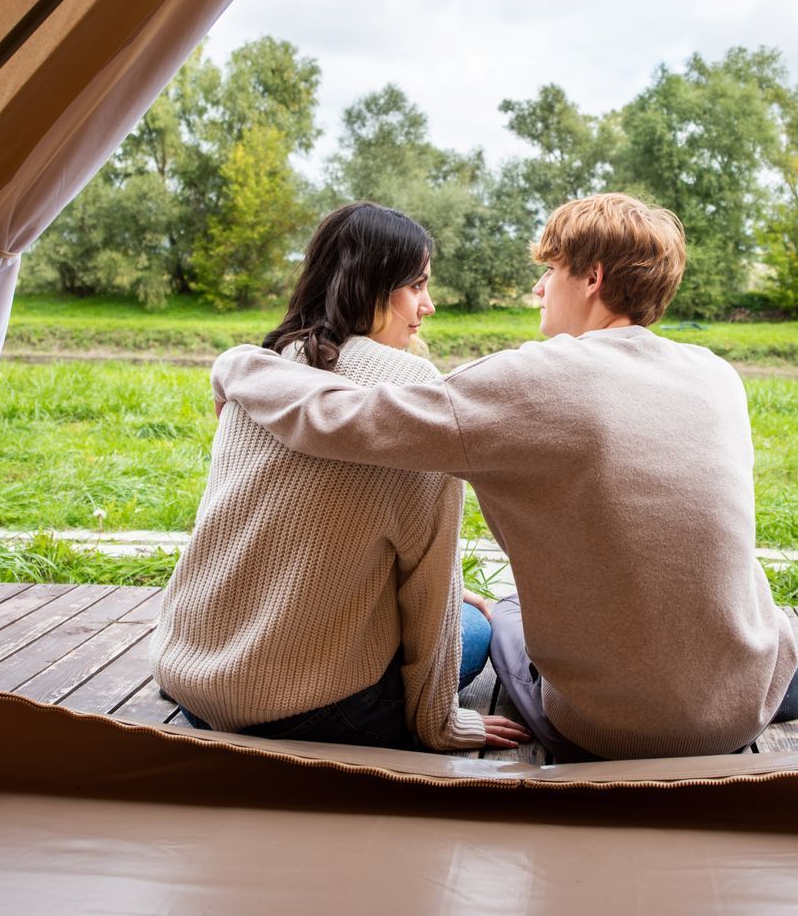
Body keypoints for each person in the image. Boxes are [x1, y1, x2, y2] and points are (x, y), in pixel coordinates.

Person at [212, 192, 798, 762]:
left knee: (502, 618)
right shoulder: (716, 375)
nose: (539, 286)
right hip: (742, 701)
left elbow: (340, 415)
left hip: (606, 730)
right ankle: (763, 680)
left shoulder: (535, 379)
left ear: (592, 278)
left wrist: (241, 365)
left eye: (550, 269)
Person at [153, 202, 529, 753]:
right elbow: (427, 592)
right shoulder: (417, 395)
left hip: (194, 681)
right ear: (373, 285)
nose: (427, 306)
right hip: (305, 713)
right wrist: (442, 724)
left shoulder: (266, 363)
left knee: (459, 603)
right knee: (478, 628)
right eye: (416, 286)